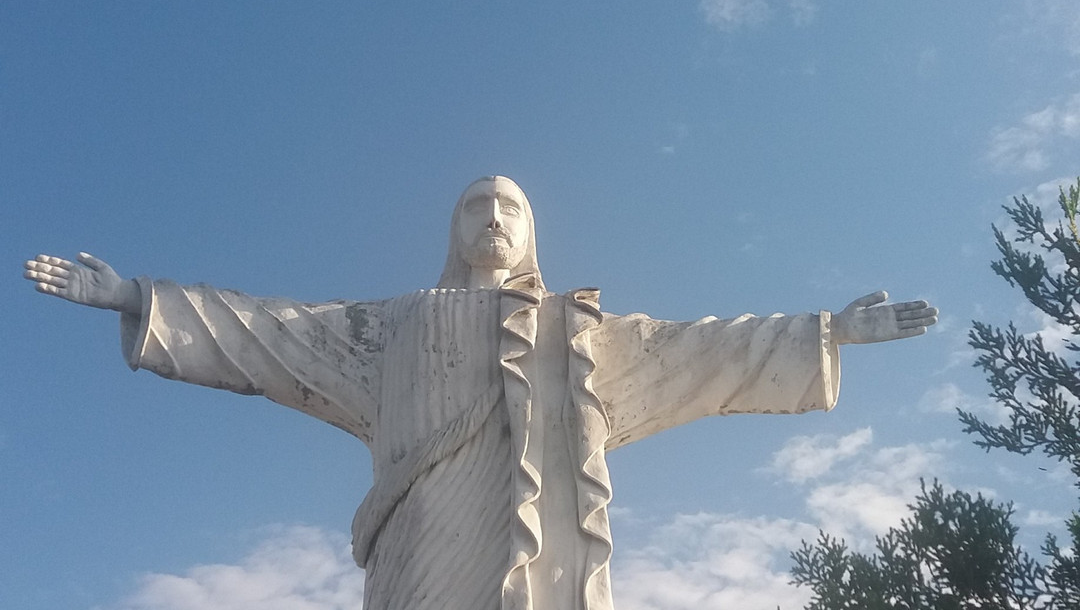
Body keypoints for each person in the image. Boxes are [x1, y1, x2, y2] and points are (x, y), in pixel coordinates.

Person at [24, 175, 937, 610]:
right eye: (475, 205)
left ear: (531, 231)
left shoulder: (575, 336)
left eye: (509, 207)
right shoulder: (391, 328)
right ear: (453, 229)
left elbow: (694, 355)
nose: (491, 218)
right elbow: (271, 335)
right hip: (421, 562)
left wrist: (827, 331)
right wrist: (142, 299)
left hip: (539, 579)